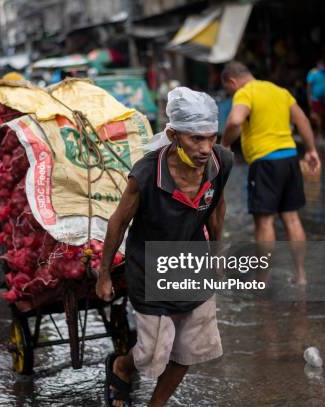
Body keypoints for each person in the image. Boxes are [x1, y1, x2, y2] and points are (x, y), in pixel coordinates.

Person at [96, 88, 233, 407]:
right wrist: (103, 274)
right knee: (152, 352)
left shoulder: (221, 161)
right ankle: (122, 365)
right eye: (195, 139)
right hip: (149, 266)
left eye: (211, 138)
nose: (204, 148)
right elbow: (118, 222)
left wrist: (216, 254)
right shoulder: (146, 173)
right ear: (173, 134)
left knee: (190, 347)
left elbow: (217, 207)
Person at [221, 61, 321, 285]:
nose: (231, 93)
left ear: (232, 81)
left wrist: (225, 144)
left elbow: (236, 120)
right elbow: (302, 120)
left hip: (265, 162)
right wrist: (311, 150)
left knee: (264, 223)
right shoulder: (279, 91)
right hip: (289, 159)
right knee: (292, 219)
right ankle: (301, 276)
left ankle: (262, 279)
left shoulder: (245, 93)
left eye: (229, 90)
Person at [306, 59, 325, 136]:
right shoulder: (313, 72)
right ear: (318, 65)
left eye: (324, 65)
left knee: (324, 115)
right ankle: (319, 131)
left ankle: (320, 131)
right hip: (315, 98)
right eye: (321, 65)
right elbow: (309, 86)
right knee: (317, 115)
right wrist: (309, 98)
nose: (323, 67)